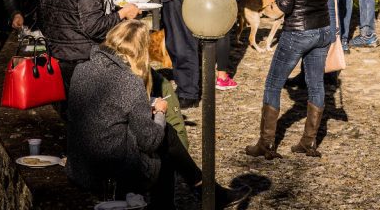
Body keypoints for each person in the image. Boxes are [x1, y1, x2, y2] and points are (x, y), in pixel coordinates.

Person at [66, 20, 247, 209]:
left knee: (164, 140)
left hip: (79, 165)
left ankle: (205, 189)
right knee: (163, 146)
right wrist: (160, 111)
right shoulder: (130, 81)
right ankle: (201, 193)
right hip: (109, 173)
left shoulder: (82, 69)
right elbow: (149, 141)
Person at [245, 0, 332, 160]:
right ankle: (308, 142)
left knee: (273, 84)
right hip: (322, 29)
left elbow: (284, 5)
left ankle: (266, 144)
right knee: (316, 85)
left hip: (298, 32)